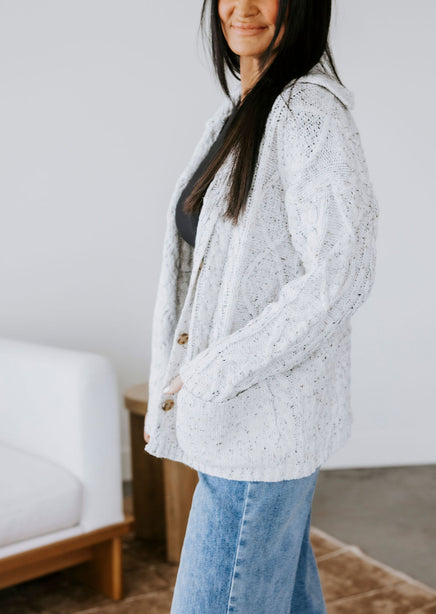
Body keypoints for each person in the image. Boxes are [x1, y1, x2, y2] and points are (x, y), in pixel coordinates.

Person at [144, 0, 379, 612]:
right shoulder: (239, 113)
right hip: (238, 421)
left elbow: (342, 272)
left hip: (258, 430)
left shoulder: (306, 114)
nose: (242, 8)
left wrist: (211, 373)